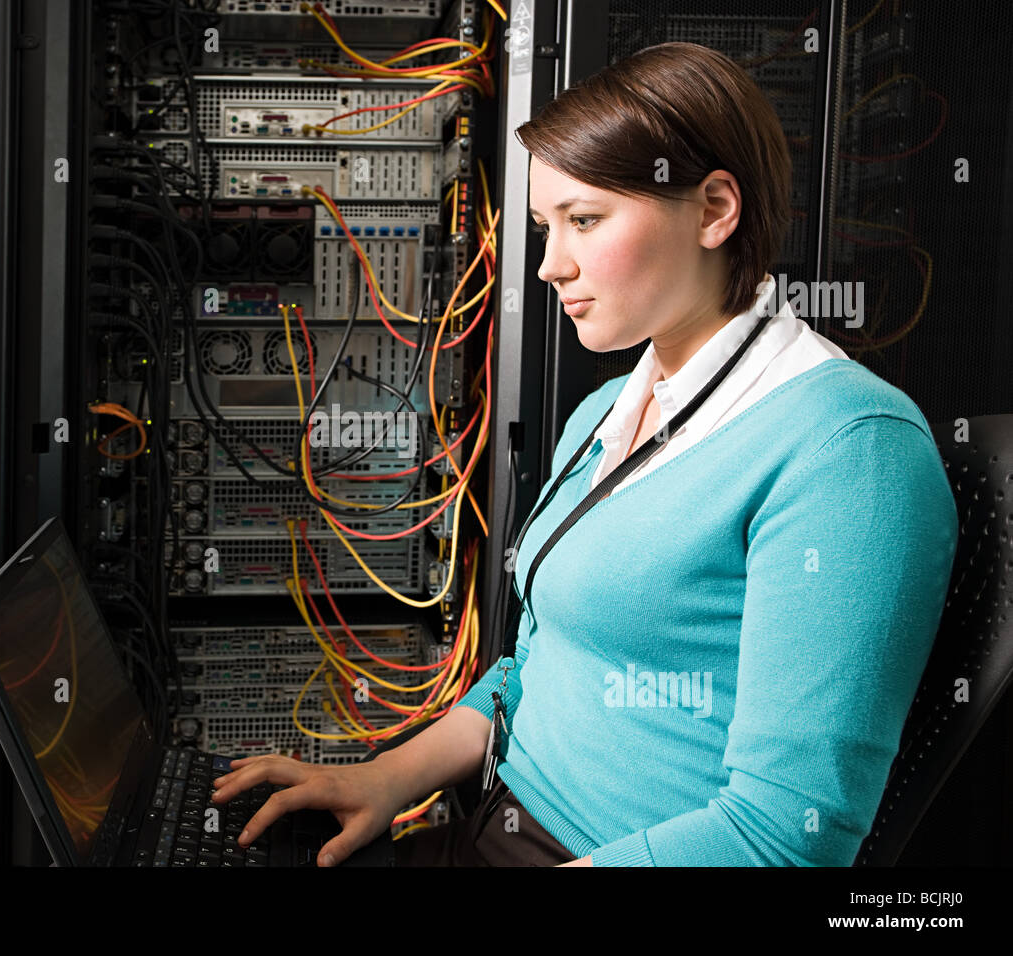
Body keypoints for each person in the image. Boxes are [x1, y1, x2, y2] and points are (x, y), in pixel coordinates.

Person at [209, 41, 959, 866]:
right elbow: (538, 659)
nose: (550, 265)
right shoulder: (607, 411)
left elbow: (784, 840)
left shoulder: (849, 453)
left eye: (585, 220)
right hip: (488, 824)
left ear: (714, 209)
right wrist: (387, 777)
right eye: (544, 226)